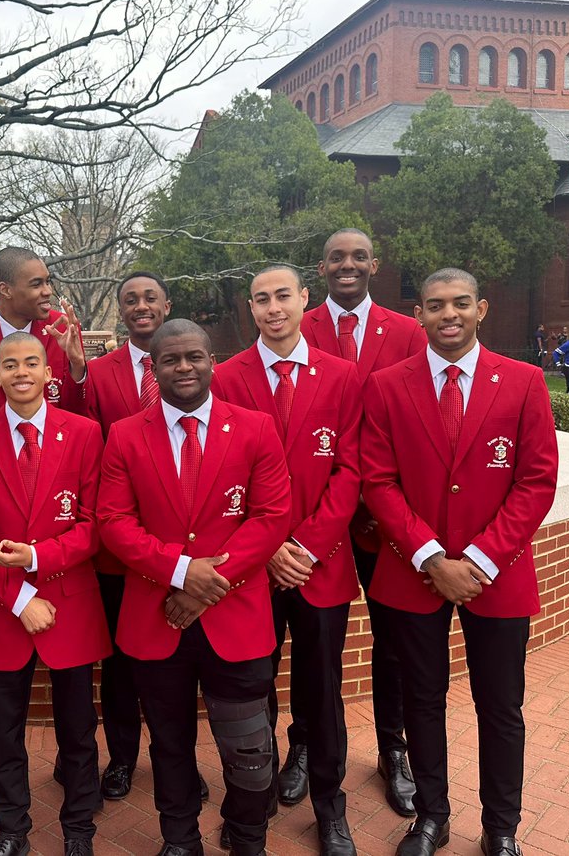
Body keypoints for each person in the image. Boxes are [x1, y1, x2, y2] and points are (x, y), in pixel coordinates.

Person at [361, 268, 558, 856]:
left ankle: (501, 828)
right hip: (412, 573)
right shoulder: (388, 385)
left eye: (460, 304)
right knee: (420, 700)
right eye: (435, 305)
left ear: (482, 309)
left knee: (500, 706)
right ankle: (431, 816)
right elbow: (379, 480)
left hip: (495, 575)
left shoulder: (523, 381)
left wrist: (476, 559)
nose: (449, 314)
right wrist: (430, 558)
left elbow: (536, 480)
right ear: (418, 313)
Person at [98, 319, 292, 856]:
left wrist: (210, 582)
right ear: (153, 368)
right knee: (170, 746)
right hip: (156, 622)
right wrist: (183, 572)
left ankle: (248, 835)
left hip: (238, 621)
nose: (183, 368)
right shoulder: (125, 434)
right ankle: (180, 841)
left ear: (213, 360)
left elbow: (272, 516)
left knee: (249, 750)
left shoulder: (255, 428)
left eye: (194, 358)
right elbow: (114, 523)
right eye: (170, 360)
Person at [213, 266, 362, 856]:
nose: (273, 308)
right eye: (261, 299)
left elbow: (351, 470)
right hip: (253, 567)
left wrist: (306, 545)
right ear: (250, 309)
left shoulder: (344, 377)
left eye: (283, 296)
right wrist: (269, 547)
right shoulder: (225, 378)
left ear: (305, 300)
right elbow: (224, 476)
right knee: (251, 692)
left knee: (322, 693)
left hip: (320, 566)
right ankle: (252, 803)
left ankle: (330, 809)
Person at [0, 331, 110, 856]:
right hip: (3, 608)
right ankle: (12, 828)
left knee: (78, 733)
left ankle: (78, 831)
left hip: (70, 603)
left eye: (32, 363)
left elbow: (94, 525)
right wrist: (20, 597)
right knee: (2, 732)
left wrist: (39, 558)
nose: (21, 372)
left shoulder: (85, 434)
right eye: (10, 365)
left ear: (49, 373)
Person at [0, 245, 89, 807]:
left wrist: (74, 366)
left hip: (49, 490)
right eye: (38, 282)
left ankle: (76, 800)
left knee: (75, 710)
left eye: (49, 281)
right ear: (5, 289)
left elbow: (70, 408)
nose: (48, 291)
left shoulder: (52, 333)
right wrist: (2, 438)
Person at [299, 228, 425, 817]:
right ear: (320, 268)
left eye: (357, 256)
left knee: (393, 642)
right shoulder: (296, 325)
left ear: (375, 263)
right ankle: (305, 743)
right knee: (312, 643)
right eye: (335, 258)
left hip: (382, 519)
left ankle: (393, 751)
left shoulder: (405, 332)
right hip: (314, 517)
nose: (346, 266)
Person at [84, 271, 205, 803]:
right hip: (122, 549)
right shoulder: (99, 373)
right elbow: (91, 451)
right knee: (121, 664)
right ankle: (122, 757)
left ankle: (178, 760)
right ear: (121, 309)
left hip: (186, 547)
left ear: (166, 304)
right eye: (130, 299)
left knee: (184, 665)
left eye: (150, 298)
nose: (140, 306)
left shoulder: (193, 365)